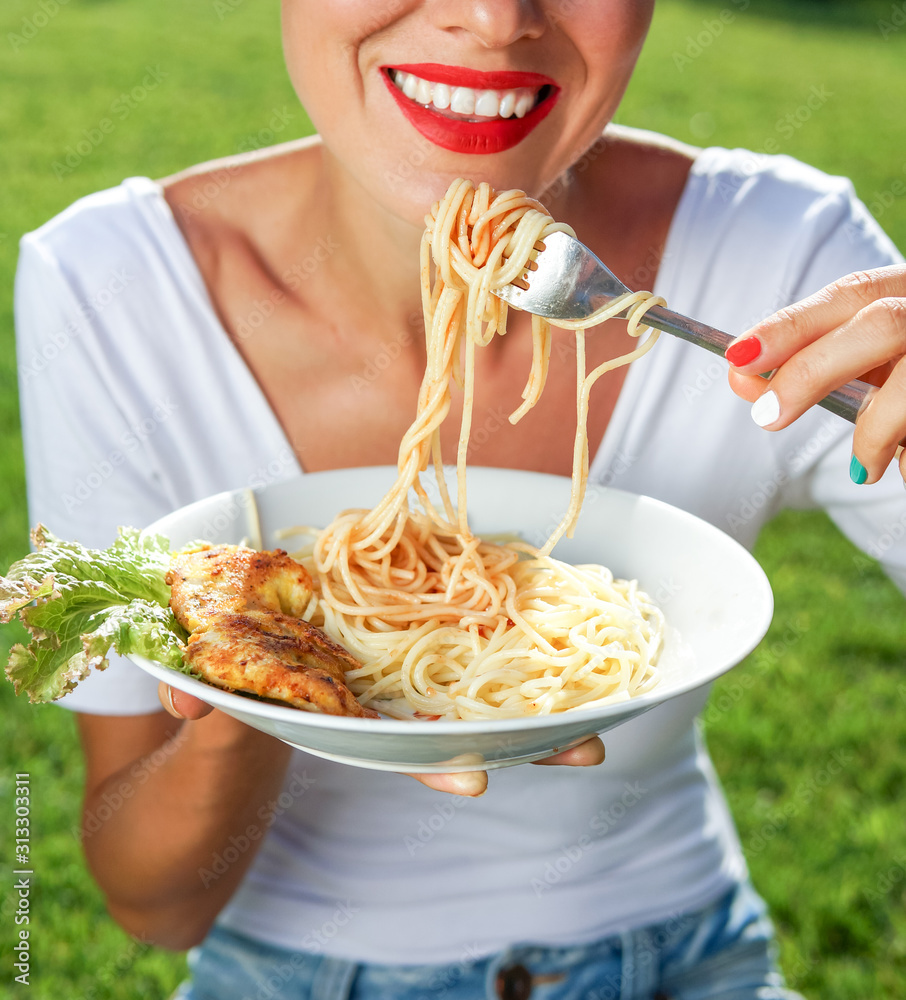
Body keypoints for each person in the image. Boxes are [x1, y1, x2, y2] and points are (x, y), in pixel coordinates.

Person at [14, 3, 906, 997]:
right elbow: (157, 905)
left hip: (685, 957)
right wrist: (250, 682)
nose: (492, 17)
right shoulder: (110, 287)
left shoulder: (783, 260)